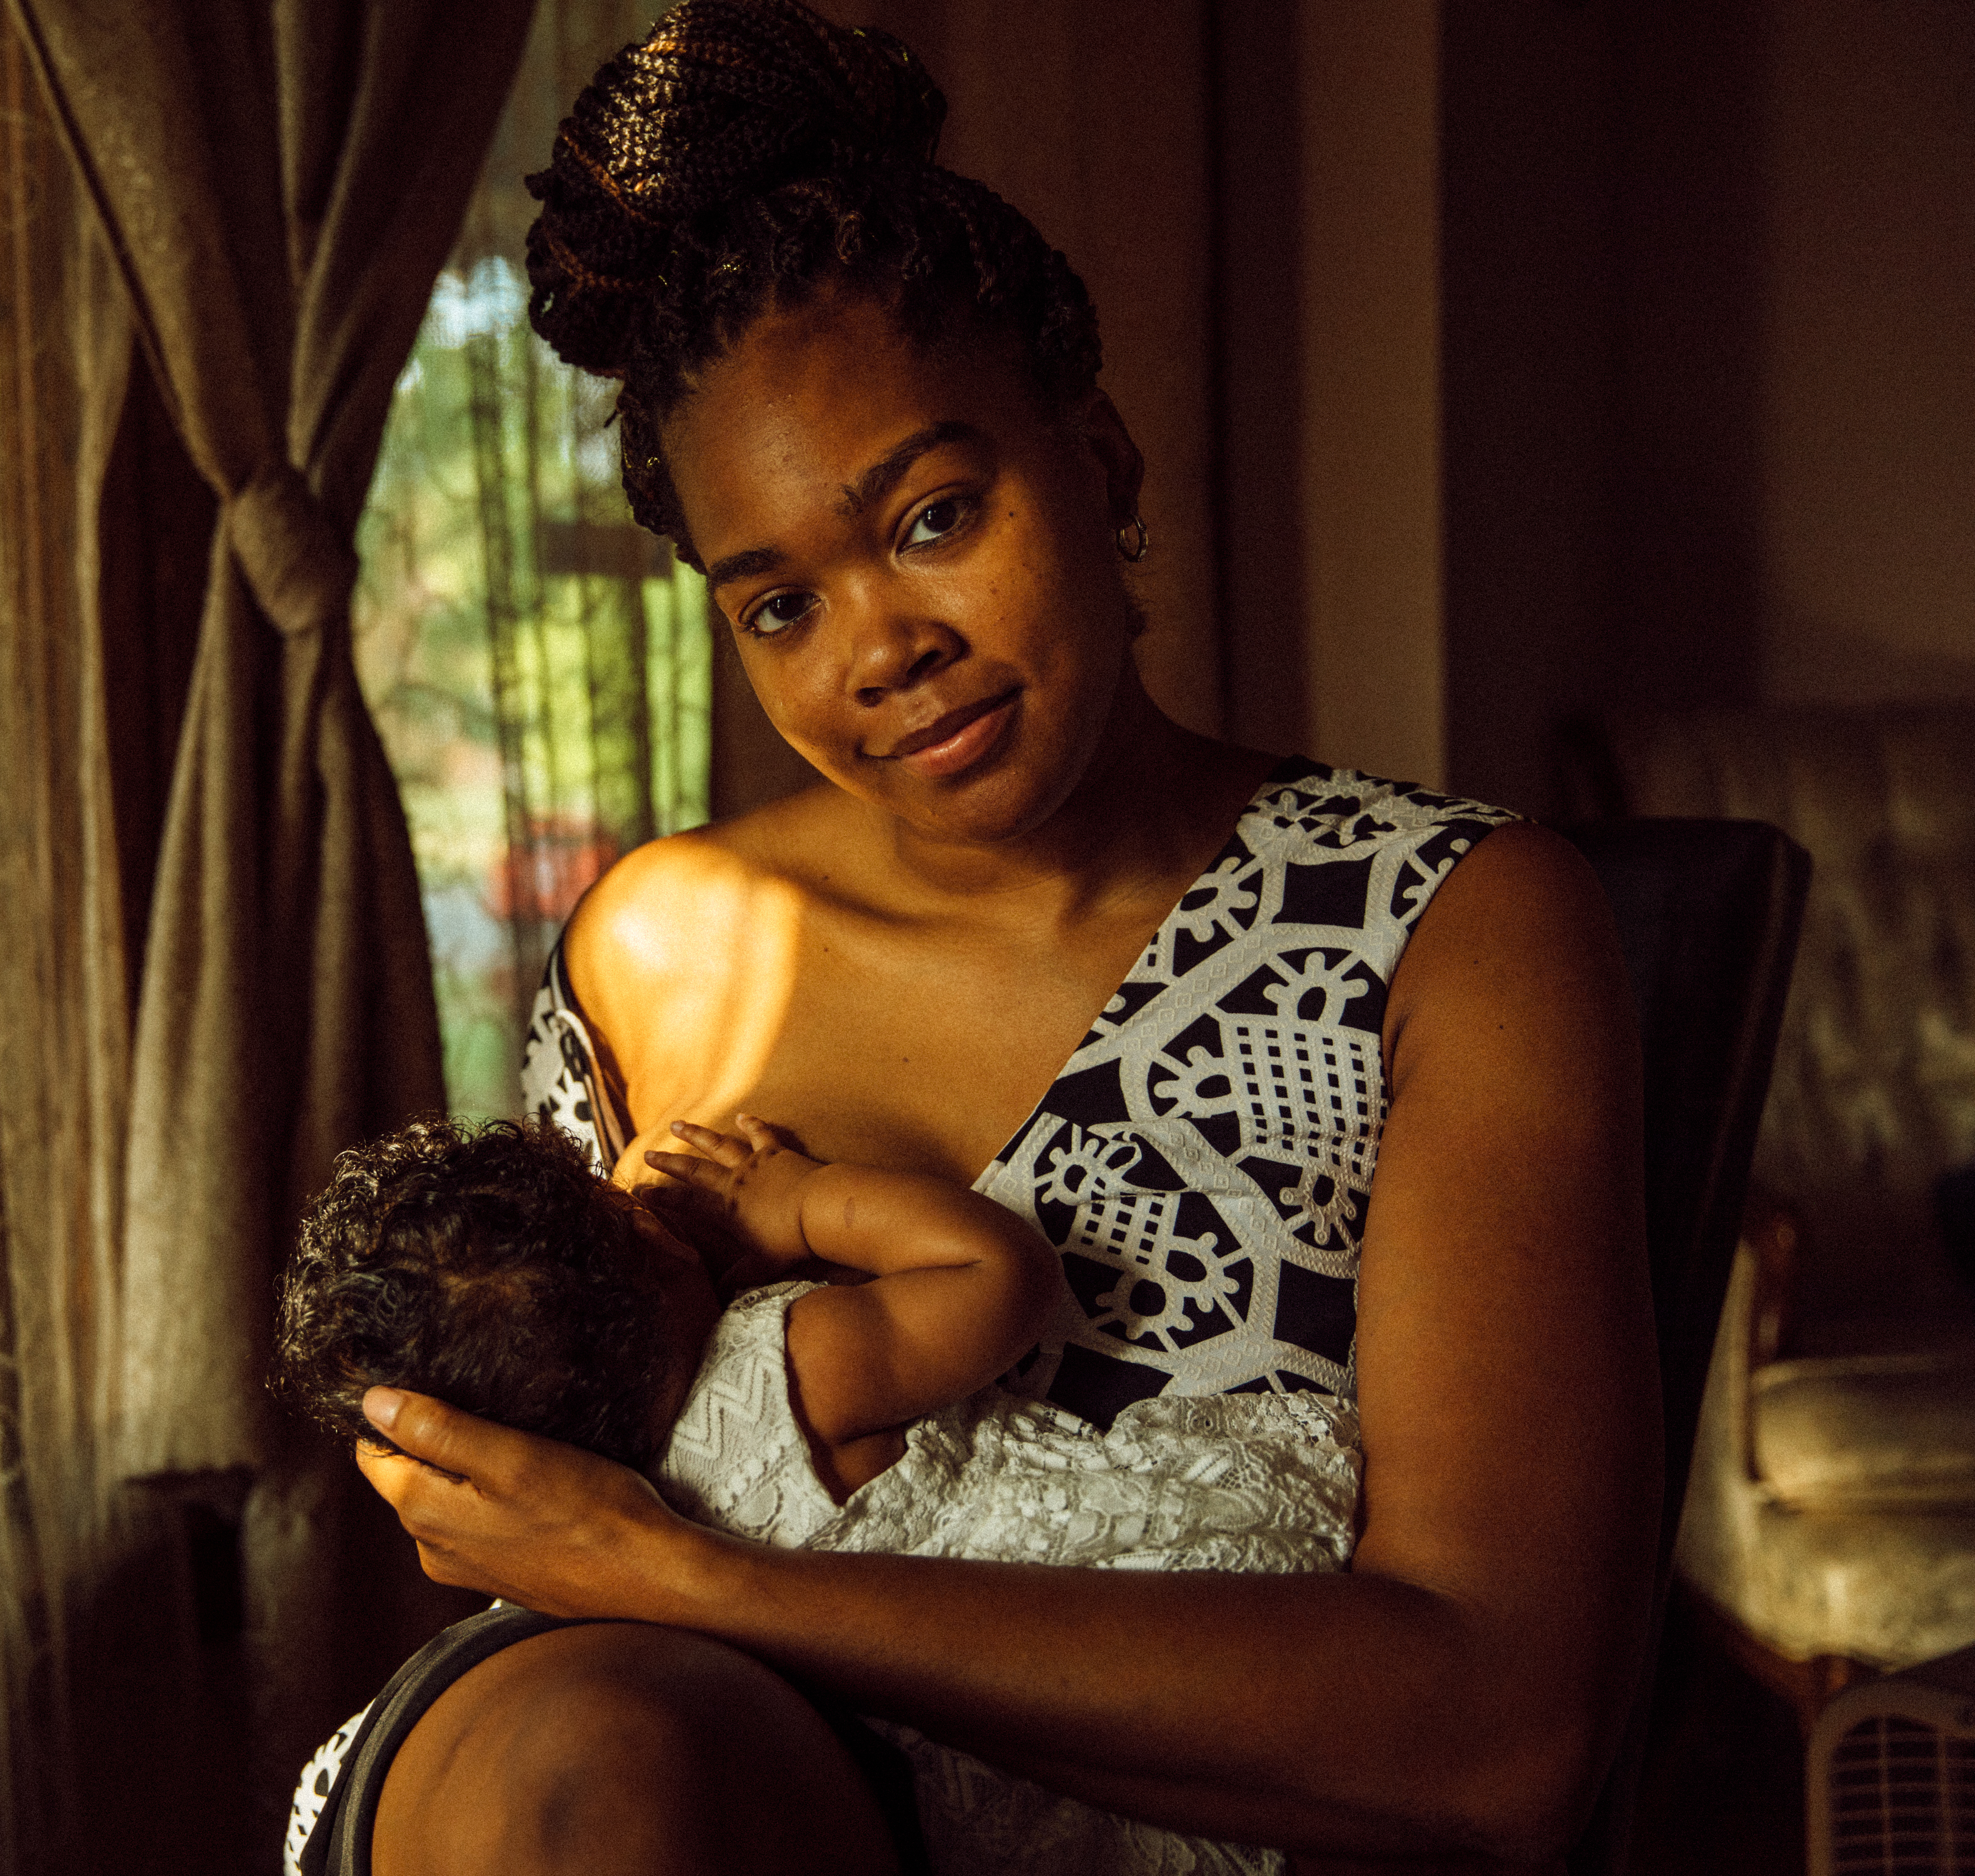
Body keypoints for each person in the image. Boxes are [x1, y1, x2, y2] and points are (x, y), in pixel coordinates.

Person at [330, 3, 1659, 1872]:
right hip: (668, 1795)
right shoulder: (662, 944)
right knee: (591, 1766)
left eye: (936, 515)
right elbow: (559, 1540)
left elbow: (1500, 1730)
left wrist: (690, 1579)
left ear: (1101, 465)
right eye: (778, 602)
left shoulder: (1446, 925)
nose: (879, 649)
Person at [279, 1113, 1365, 1873]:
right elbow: (998, 1278)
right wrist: (796, 1204)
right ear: (650, 1245)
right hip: (1144, 1623)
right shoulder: (789, 1367)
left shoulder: (580, 1518)